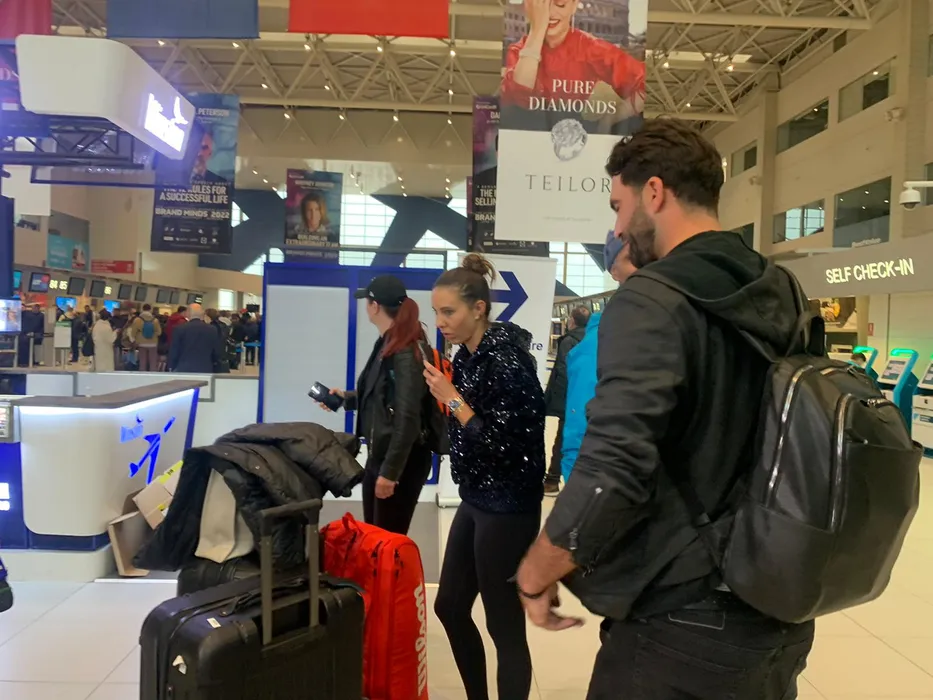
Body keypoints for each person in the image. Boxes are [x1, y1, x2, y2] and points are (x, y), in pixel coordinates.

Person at [515, 119, 814, 700]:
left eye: (618, 206)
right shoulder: (781, 289)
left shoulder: (654, 297)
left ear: (654, 192)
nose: (617, 228)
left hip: (683, 614)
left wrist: (538, 568)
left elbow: (615, 463)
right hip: (778, 603)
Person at [425, 254, 545, 700]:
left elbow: (505, 444)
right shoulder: (468, 357)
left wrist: (453, 400)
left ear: (478, 309)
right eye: (437, 312)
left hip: (509, 505)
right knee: (450, 606)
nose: (441, 322)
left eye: (449, 312)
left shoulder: (508, 363)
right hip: (477, 497)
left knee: (504, 625)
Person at [319, 275, 433, 535]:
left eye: (367, 301)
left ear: (375, 306)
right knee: (375, 536)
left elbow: (408, 416)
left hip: (400, 461)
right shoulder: (388, 343)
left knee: (387, 539)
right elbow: (381, 394)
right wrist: (345, 399)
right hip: (381, 454)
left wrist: (391, 472)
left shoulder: (404, 352)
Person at [560, 233, 636, 486]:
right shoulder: (597, 343)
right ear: (614, 271)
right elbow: (579, 433)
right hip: (615, 488)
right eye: (634, 259)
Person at [501, 0, 645, 121]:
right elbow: (517, 102)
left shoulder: (589, 48)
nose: (549, 14)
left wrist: (612, 119)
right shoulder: (518, 51)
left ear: (574, 5)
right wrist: (536, 31)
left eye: (560, 5)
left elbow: (644, 83)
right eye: (542, 7)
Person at [543, 304, 589, 495]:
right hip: (587, 398)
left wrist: (558, 402)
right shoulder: (595, 340)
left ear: (572, 321)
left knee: (562, 438)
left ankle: (552, 480)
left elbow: (563, 372)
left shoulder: (569, 341)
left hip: (570, 400)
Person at [169, 304, 221, 374]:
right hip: (205, 367)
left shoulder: (180, 329)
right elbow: (216, 351)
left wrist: (171, 366)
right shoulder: (212, 329)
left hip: (183, 367)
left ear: (188, 314)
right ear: (202, 314)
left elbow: (174, 350)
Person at [130, 304, 162, 372]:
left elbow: (133, 332)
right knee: (153, 361)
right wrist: (153, 334)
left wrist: (134, 340)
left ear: (142, 309)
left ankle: (142, 374)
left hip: (141, 343)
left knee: (142, 361)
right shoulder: (155, 320)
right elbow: (159, 332)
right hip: (153, 343)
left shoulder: (137, 320)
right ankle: (153, 373)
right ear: (150, 309)